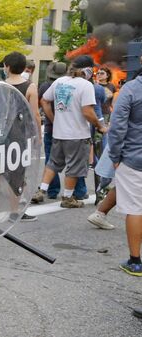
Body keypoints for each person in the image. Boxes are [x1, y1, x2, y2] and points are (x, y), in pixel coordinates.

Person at [32, 55, 107, 208]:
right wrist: (100, 126)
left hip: (59, 133)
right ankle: (67, 197)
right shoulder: (86, 86)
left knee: (53, 163)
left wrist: (54, 119)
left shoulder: (60, 81)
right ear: (87, 69)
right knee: (74, 167)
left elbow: (44, 101)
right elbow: (87, 111)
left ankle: (42, 191)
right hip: (78, 134)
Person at [107, 69, 142, 277]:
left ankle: (135, 260)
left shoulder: (131, 89)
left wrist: (115, 156)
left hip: (134, 157)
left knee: (136, 208)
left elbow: (118, 127)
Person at [3, 51, 40, 222]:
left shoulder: (1, 85)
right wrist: (37, 135)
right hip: (20, 134)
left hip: (3, 133)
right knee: (18, 172)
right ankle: (14, 211)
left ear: (7, 67)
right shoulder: (30, 87)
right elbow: (35, 115)